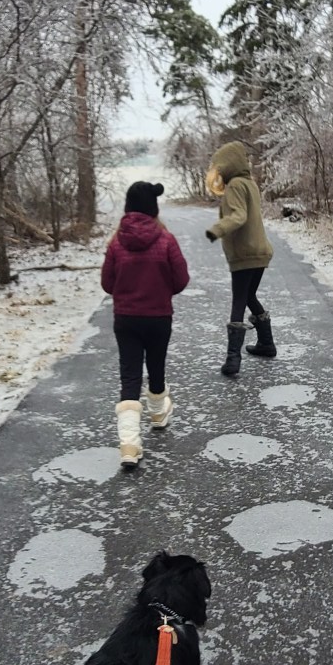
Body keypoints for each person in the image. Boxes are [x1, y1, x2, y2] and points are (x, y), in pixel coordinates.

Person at [101, 182, 189, 467]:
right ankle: (158, 413)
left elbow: (107, 283)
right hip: (158, 317)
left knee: (129, 377)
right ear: (154, 208)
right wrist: (160, 290)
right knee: (156, 366)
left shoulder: (116, 241)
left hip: (125, 319)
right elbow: (181, 280)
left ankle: (129, 443)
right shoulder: (166, 240)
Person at [204, 140, 276, 376]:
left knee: (238, 301)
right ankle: (266, 344)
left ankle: (232, 360)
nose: (218, 171)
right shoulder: (249, 184)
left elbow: (239, 216)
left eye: (219, 166)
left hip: (244, 254)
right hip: (261, 251)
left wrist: (217, 229)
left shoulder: (235, 185)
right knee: (249, 296)